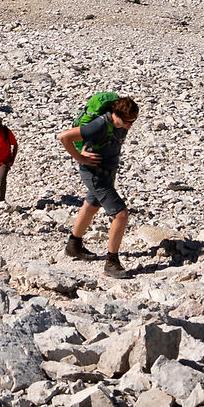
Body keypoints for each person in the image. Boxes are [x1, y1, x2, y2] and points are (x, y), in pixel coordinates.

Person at [60, 96, 141, 278]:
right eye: (126, 121)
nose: (129, 126)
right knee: (120, 214)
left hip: (107, 171)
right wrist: (80, 157)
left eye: (133, 122)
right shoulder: (100, 125)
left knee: (91, 205)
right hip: (95, 174)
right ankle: (111, 263)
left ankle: (74, 245)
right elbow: (64, 137)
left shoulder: (120, 122)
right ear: (115, 114)